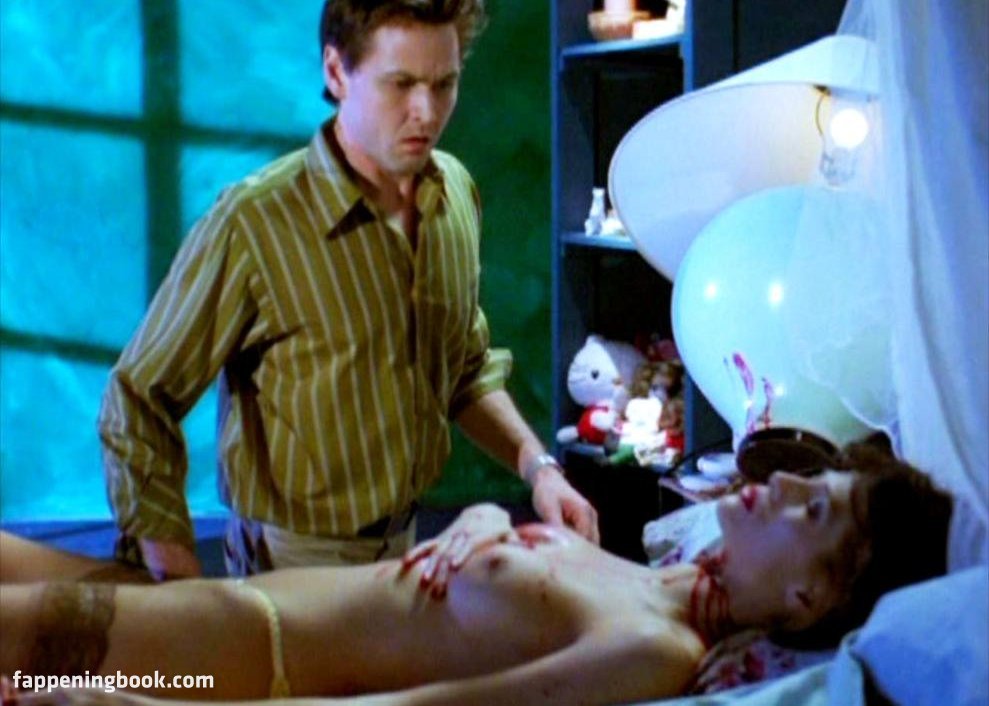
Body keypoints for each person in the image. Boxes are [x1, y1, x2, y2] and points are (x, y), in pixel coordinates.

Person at [97, 0, 598, 581]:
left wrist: (540, 470)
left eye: (444, 84)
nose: (426, 111)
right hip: (290, 566)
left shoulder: (455, 195)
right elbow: (138, 399)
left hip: (413, 547)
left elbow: (463, 368)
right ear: (336, 73)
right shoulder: (254, 221)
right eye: (401, 84)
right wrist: (181, 584)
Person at [0, 445, 952, 704]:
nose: (783, 483)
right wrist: (491, 516)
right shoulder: (635, 571)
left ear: (807, 599)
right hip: (224, 605)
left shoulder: (652, 646)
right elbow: (492, 594)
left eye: (813, 511)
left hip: (250, 652)